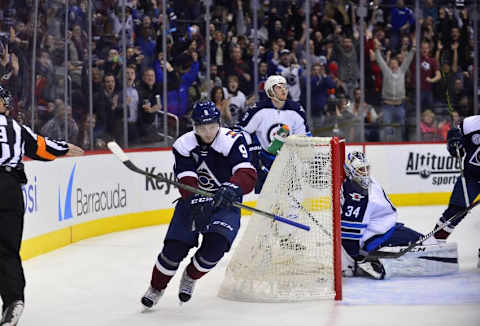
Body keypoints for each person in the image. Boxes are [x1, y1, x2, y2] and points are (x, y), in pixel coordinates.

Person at [140, 101, 257, 308]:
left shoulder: (232, 141)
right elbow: (186, 177)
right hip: (192, 201)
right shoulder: (184, 145)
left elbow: (247, 174)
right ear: (194, 126)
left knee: (216, 247)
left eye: (212, 126)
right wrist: (194, 198)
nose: (208, 132)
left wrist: (232, 187)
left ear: (218, 123)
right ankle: (157, 287)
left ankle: (191, 275)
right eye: (202, 127)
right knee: (173, 250)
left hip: (225, 202)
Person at [0, 86, 84, 326]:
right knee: (7, 251)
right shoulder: (15, 127)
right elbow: (42, 147)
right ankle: (14, 301)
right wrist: (65, 147)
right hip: (9, 188)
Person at [341, 151, 457, 279]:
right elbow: (349, 236)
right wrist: (358, 259)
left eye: (366, 168)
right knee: (428, 243)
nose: (365, 173)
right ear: (350, 171)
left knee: (426, 241)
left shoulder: (360, 184)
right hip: (380, 236)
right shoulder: (358, 197)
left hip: (386, 228)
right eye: (360, 170)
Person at [237, 75, 311, 194]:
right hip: (263, 163)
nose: (284, 90)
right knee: (263, 201)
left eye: (285, 87)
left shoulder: (296, 109)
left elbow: (304, 137)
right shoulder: (258, 109)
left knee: (291, 198)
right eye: (279, 87)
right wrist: (253, 155)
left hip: (289, 163)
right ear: (270, 91)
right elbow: (242, 131)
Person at [433, 116, 480, 248]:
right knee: (456, 210)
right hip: (471, 177)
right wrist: (454, 144)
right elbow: (457, 149)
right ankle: (435, 243)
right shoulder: (469, 124)